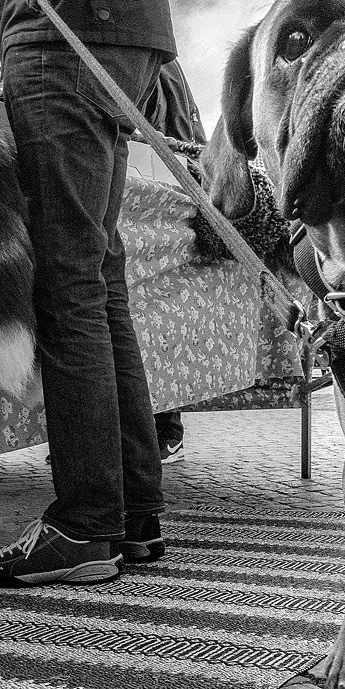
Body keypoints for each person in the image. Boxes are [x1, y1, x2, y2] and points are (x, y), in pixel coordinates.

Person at [0, 0, 177, 587]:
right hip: (118, 25)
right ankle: (131, 510)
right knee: (97, 276)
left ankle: (86, 524)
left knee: (69, 281)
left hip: (63, 24)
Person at [142, 59, 207, 466]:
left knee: (157, 316)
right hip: (164, 189)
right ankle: (158, 431)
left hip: (162, 192)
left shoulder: (159, 68)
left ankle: (166, 430)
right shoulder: (165, 67)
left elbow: (180, 129)